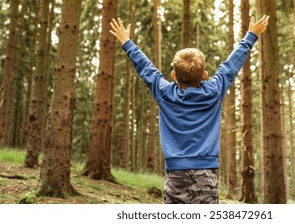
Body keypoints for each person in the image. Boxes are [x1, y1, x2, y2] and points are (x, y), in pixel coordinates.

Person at [110, 15, 269, 204]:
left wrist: (127, 42)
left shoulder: (165, 92)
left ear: (173, 76)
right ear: (204, 75)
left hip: (175, 175)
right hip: (206, 175)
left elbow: (146, 69)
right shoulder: (214, 91)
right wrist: (251, 36)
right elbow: (230, 66)